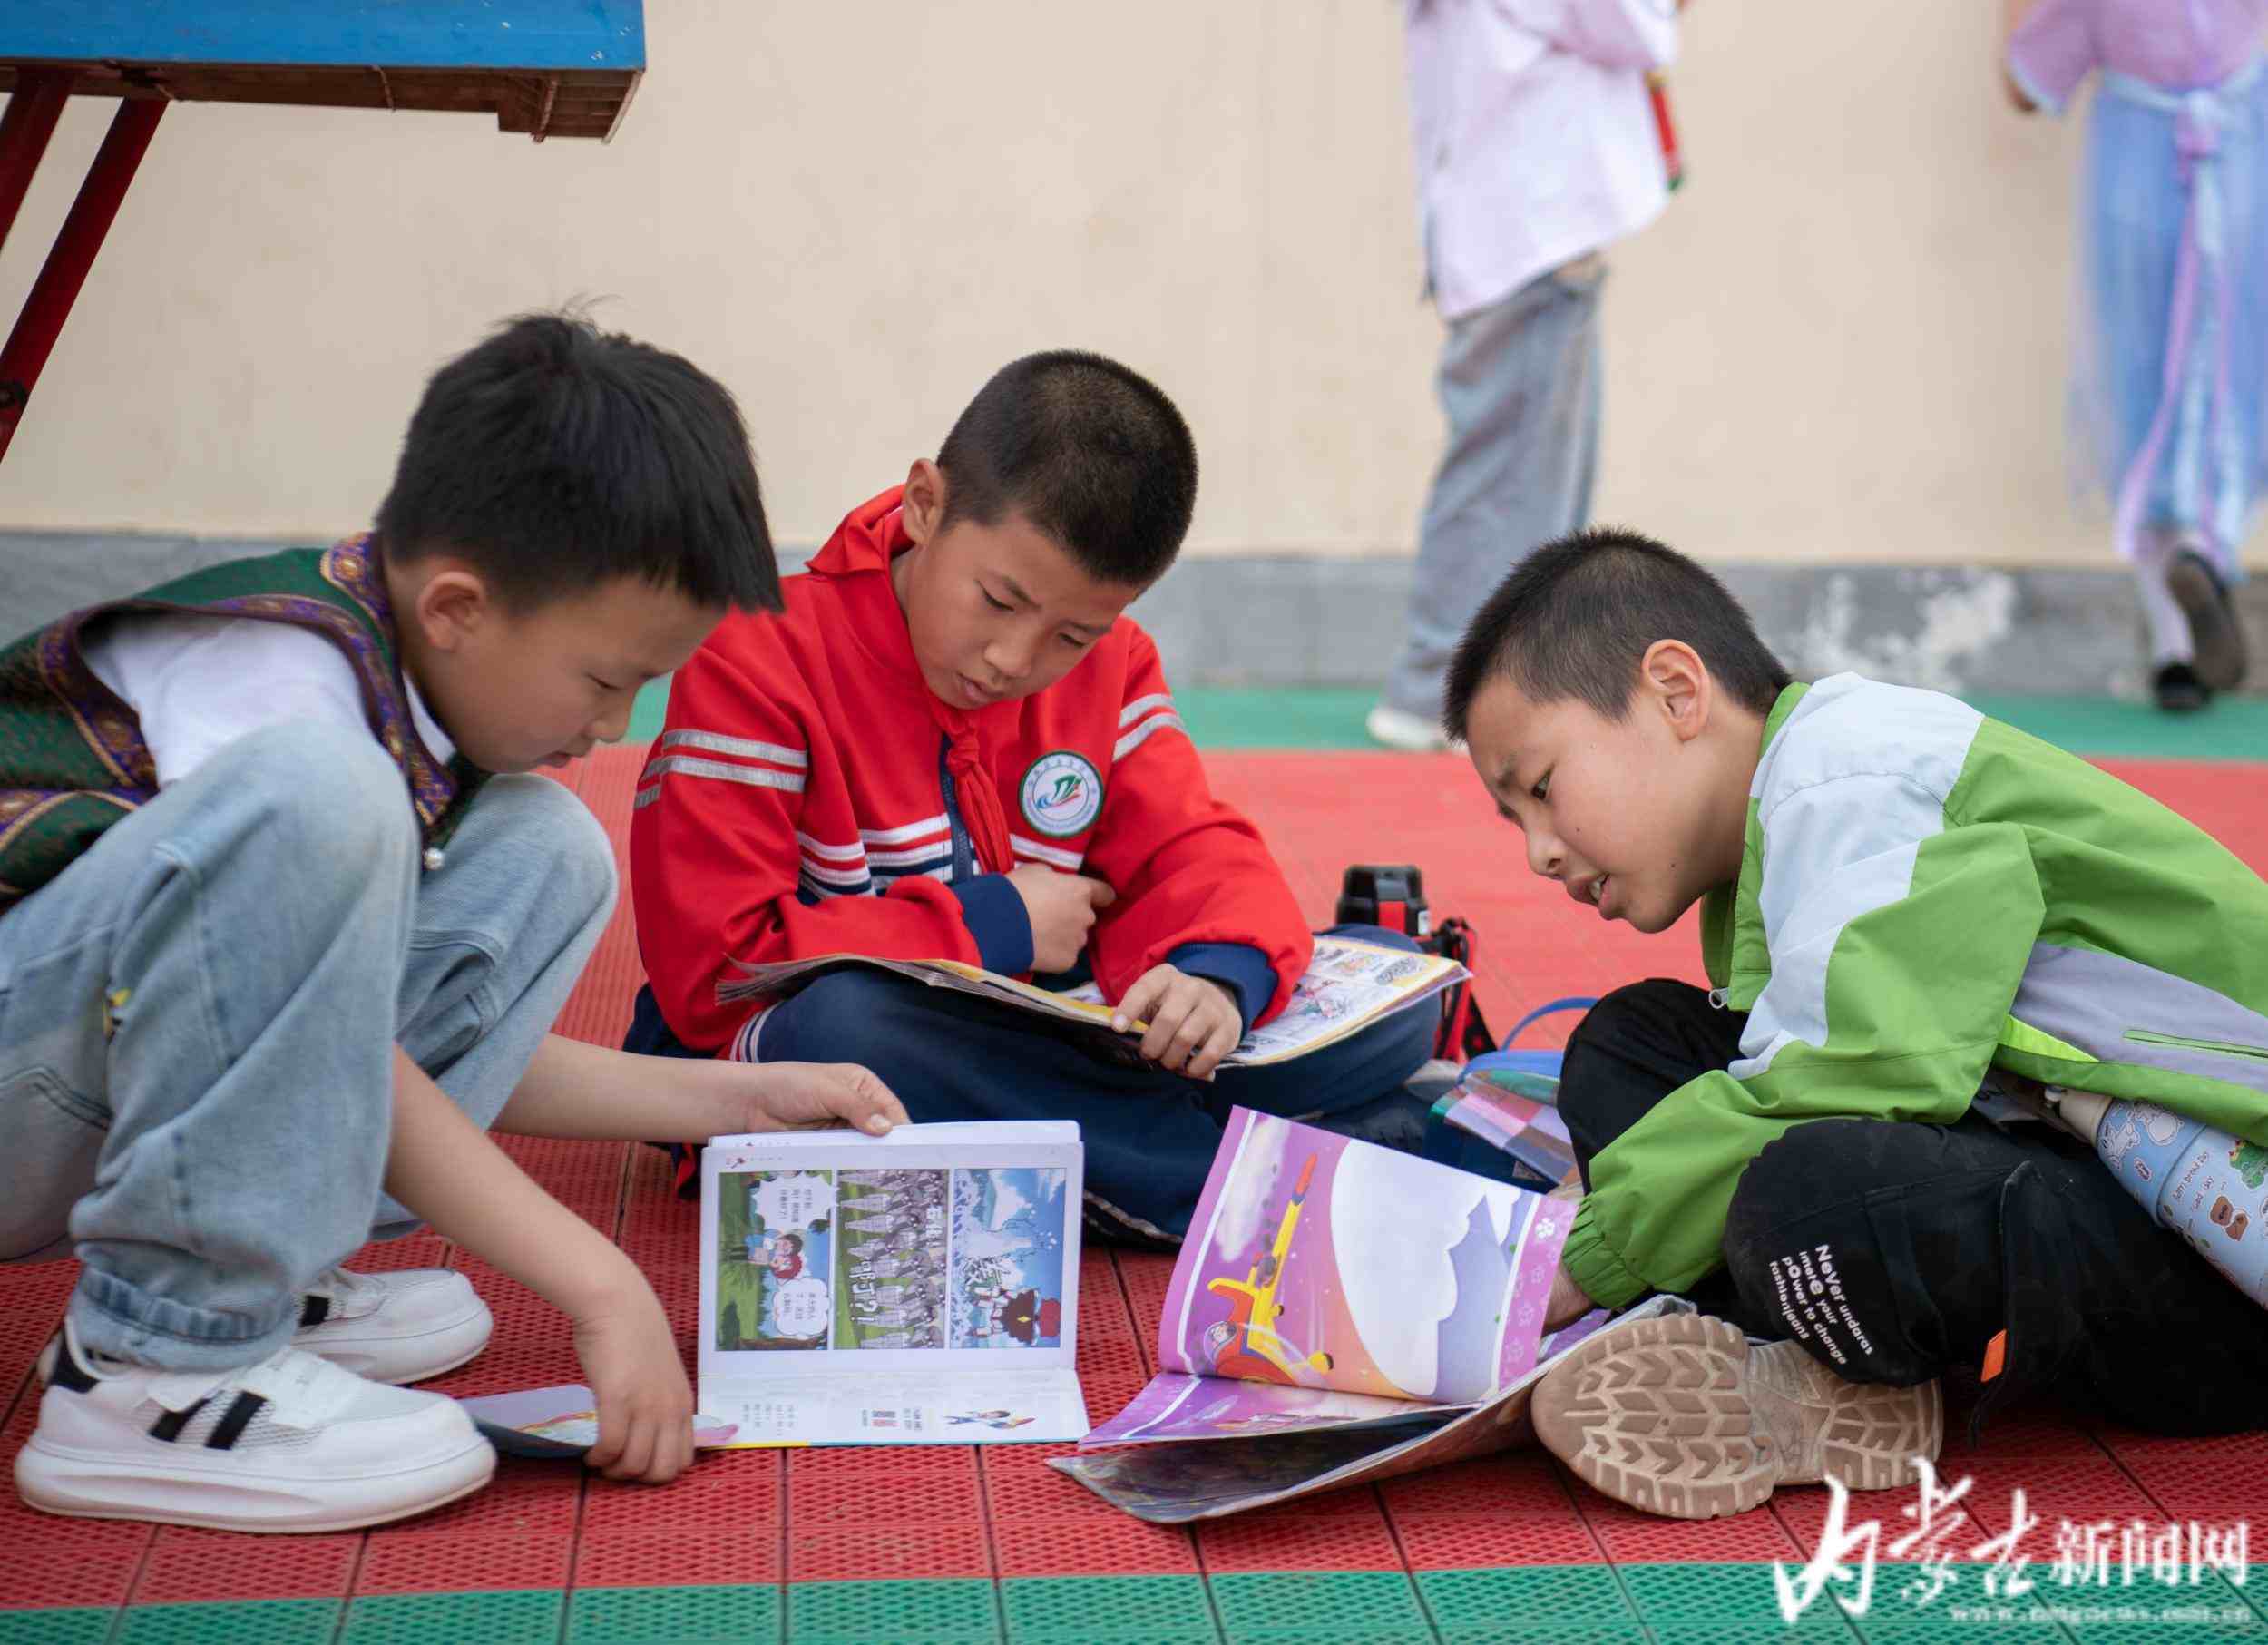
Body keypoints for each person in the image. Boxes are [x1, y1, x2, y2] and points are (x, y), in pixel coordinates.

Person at [0, 314, 905, 1534]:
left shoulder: (398, 691)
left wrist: (737, 1100)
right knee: (327, 799)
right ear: (459, 608)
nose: (616, 726)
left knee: (542, 848)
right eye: (606, 680)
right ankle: (157, 1360)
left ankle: (255, 1277)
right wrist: (600, 1283)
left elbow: (317, 1028)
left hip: (60, 1074)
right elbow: (339, 1049)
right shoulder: (286, 705)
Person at [1441, 528, 2268, 1520]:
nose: (1539, 851)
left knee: (1806, 1188)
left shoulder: (1857, 780)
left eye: (1541, 788)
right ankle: (1802, 1339)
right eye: (1516, 820)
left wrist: (1580, 1260)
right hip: (2069, 1166)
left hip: (2216, 1273)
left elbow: (1855, 1075)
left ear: (1674, 691)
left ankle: (1819, 1378)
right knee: (1633, 1045)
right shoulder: (1775, 838)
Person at [625, 350, 1436, 1244]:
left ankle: (1133, 1146)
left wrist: (1213, 981)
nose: (1013, 659)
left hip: (1043, 1040)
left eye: (1071, 635)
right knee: (846, 1026)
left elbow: (1188, 850)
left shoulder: (1116, 666)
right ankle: (1229, 1184)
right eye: (998, 599)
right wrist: (995, 922)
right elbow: (717, 971)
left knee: (1394, 990)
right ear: (924, 504)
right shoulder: (758, 656)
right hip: (827, 1052)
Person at [1367, 0, 1680, 752]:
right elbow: (1630, 23)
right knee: (1515, 481)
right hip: (1529, 231)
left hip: (1516, 229)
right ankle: (1447, 690)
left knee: (1523, 478)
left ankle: (1472, 685)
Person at [2002, 0, 2265, 711]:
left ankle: (2176, 645)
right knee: (2228, 381)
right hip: (2239, 154)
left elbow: (2027, 83)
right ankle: (2208, 556)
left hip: (2144, 170)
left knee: (2145, 396)